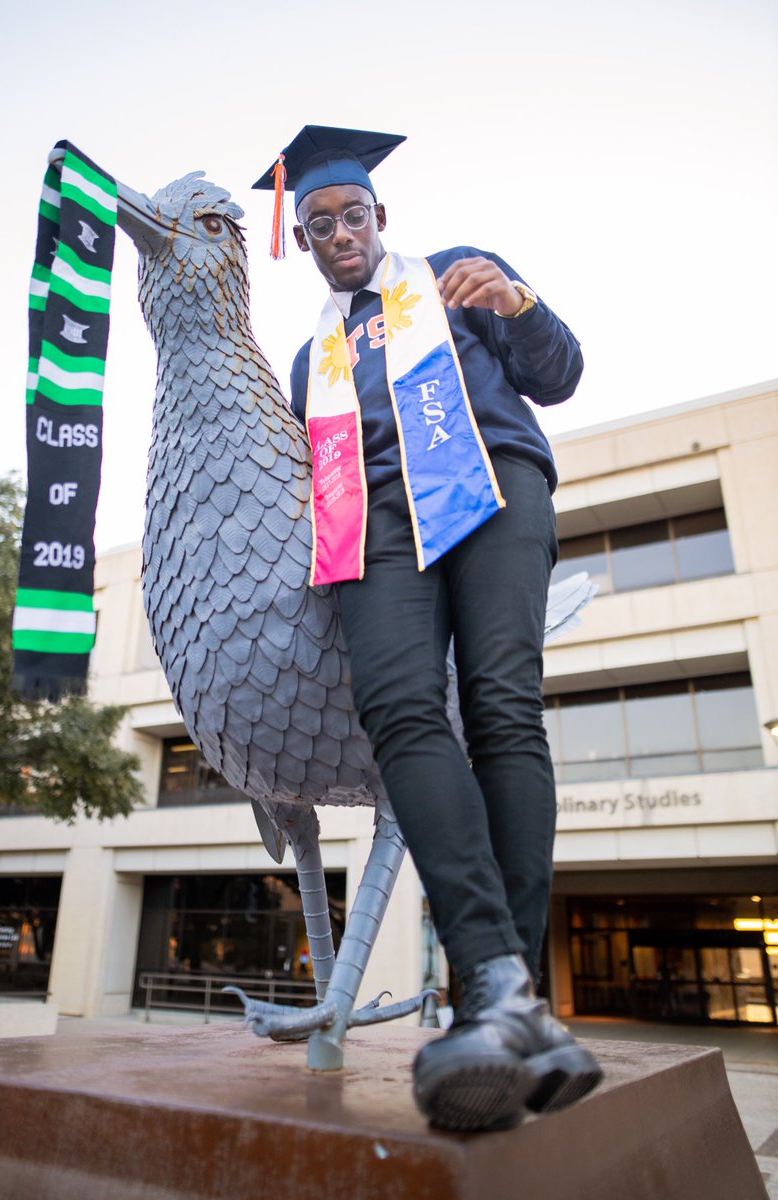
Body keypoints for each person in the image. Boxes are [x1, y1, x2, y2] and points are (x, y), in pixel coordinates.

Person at [252, 126, 602, 1132]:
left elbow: (559, 372)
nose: (335, 234)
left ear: (378, 218)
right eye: (316, 224)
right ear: (308, 241)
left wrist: (521, 307)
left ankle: (494, 991)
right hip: (374, 531)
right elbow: (303, 481)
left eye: (349, 215)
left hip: (489, 482)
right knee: (400, 709)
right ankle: (503, 987)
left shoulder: (457, 276)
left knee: (498, 705)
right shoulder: (307, 356)